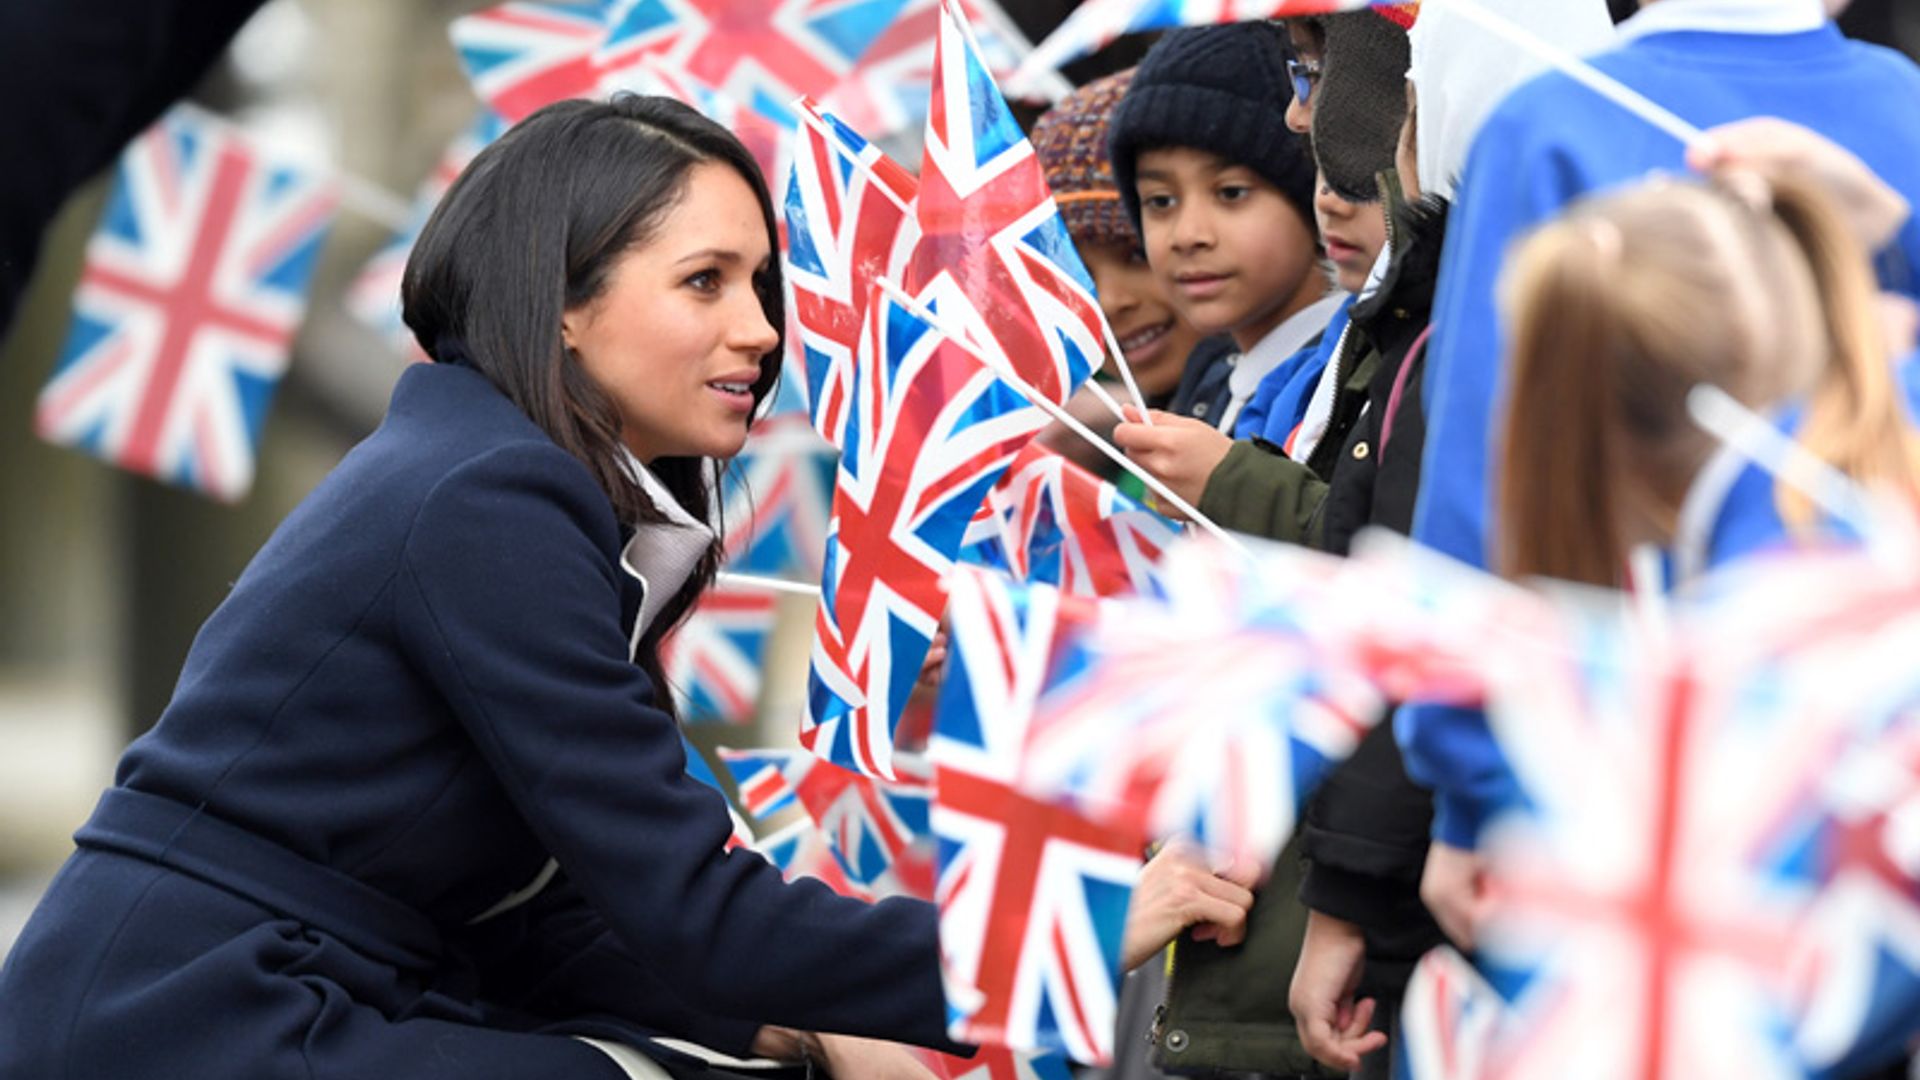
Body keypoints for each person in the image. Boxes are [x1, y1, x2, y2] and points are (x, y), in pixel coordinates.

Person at [0, 94, 1251, 1080]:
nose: (762, 330)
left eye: (761, 284)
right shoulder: (490, 497)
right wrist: (1063, 931)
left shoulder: (505, 477)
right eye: (705, 282)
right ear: (563, 309)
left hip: (268, 997)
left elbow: (555, 913)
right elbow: (691, 906)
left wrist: (802, 1029)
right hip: (196, 1020)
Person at [1401, 0, 1920, 886]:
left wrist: (1475, 792)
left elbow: (1487, 480)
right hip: (1881, 757)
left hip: (1619, 773)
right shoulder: (1904, 103)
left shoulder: (1548, 123)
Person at [1282, 3, 1614, 1077]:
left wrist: (1344, 905)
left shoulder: (1469, 324)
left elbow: (1420, 606)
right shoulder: (1616, 289)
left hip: (1458, 876)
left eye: (1409, 103)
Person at [1106, 21, 1338, 440]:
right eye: (1160, 201)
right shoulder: (1214, 379)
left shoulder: (1341, 387)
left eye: (1231, 193)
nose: (1187, 235)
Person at [1029, 68, 1210, 490]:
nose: (1110, 301)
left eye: (1136, 254)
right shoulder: (1118, 469)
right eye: (1076, 279)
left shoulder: (1293, 427)